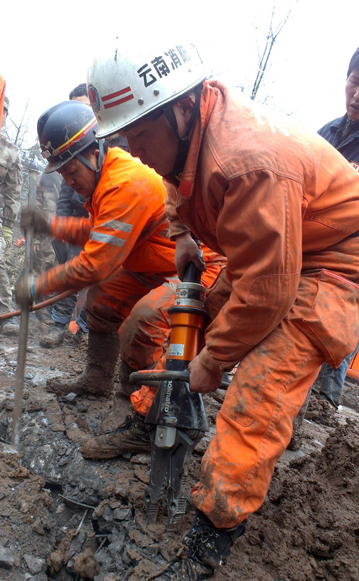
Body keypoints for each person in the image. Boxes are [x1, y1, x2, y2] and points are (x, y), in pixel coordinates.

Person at [86, 38, 359, 581]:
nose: (132, 150)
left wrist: (213, 361)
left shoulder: (246, 157)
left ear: (181, 110)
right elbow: (175, 183)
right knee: (150, 320)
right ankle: (151, 420)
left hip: (333, 261)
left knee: (255, 396)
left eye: (137, 134)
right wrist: (184, 233)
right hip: (273, 246)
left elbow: (269, 289)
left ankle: (210, 541)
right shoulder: (189, 130)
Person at [15, 100, 224, 409]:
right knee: (103, 297)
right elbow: (99, 231)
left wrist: (37, 286)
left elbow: (95, 264)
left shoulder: (124, 182)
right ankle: (97, 379)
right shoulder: (105, 176)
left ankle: (137, 410)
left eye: (71, 170)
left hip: (197, 269)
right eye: (62, 174)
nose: (69, 182)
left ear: (93, 153)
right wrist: (51, 225)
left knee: (142, 321)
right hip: (156, 264)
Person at [310, 46, 359, 408]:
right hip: (316, 249)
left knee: (338, 335)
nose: (356, 95)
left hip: (353, 264)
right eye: (354, 82)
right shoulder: (327, 132)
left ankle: (325, 407)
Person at [40, 83, 91, 348]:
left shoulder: (106, 141)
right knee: (70, 270)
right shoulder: (66, 145)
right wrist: (58, 227)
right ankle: (59, 324)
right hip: (76, 221)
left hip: (102, 220)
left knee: (99, 278)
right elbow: (64, 194)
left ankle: (84, 328)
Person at [0, 95, 23, 335]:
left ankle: (4, 314)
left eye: (4, 110)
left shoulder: (10, 152)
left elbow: (12, 193)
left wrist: (7, 226)